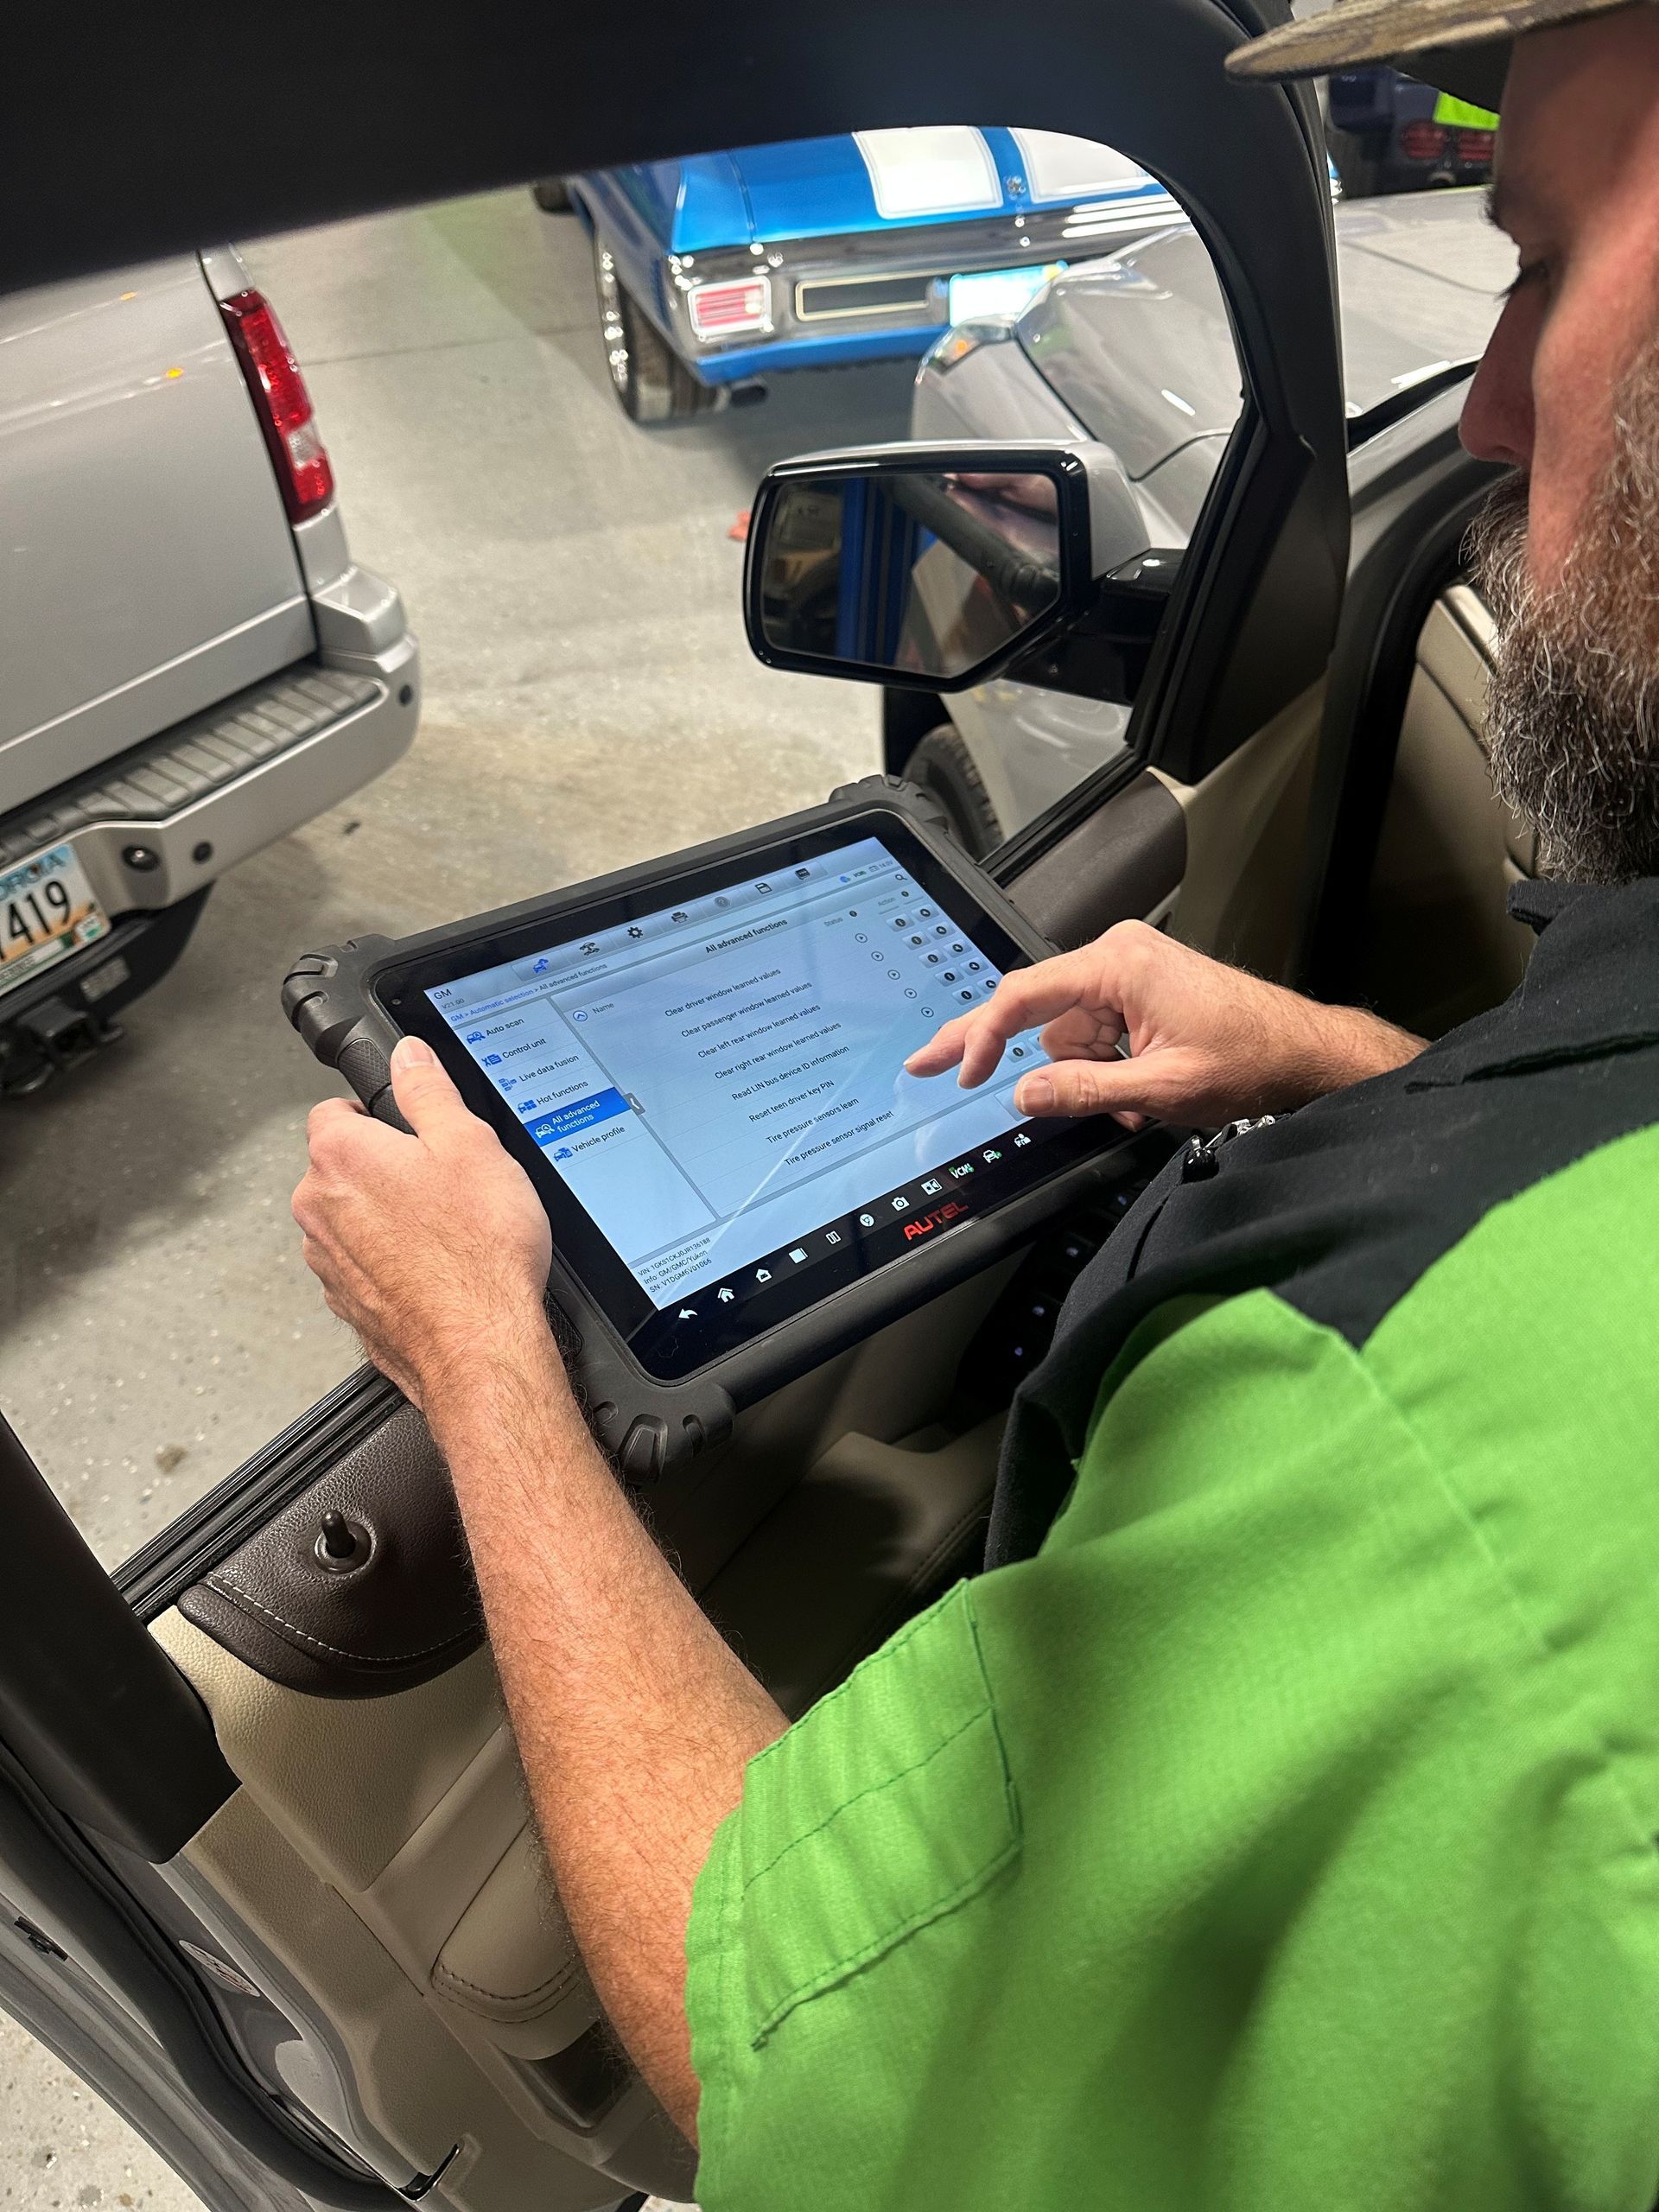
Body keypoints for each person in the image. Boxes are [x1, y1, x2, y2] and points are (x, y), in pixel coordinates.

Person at [291, 3, 1659, 2203]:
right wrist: (1357, 1067)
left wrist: (478, 1355)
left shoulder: (1414, 1463)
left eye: (1541, 263)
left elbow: (805, 2058)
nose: (1490, 405)